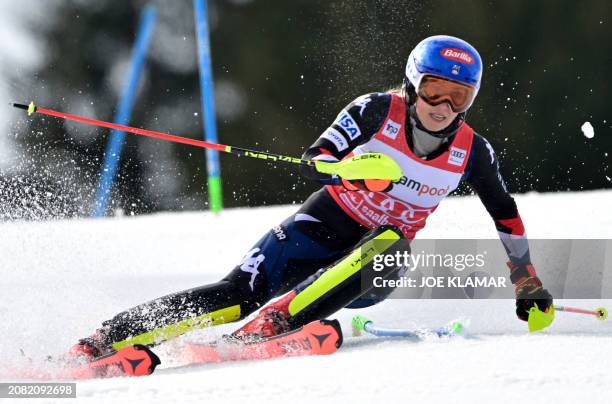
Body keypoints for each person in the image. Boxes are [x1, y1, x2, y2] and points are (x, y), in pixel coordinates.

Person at [71, 35, 553, 359]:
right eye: (434, 92)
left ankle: (276, 324)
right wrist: (355, 173)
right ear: (412, 84)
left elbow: (505, 214)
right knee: (235, 294)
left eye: (459, 97)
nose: (444, 108)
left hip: (374, 264)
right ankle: (103, 341)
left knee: (390, 242)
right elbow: (318, 155)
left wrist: (526, 278)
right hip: (323, 223)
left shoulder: (474, 152)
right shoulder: (374, 110)